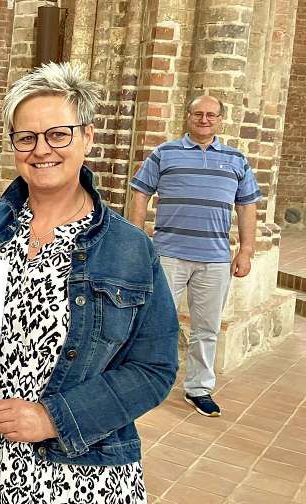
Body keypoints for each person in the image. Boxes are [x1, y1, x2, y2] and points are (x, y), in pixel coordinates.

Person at [0, 62, 179, 504]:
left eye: (59, 134)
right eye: (26, 137)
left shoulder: (129, 249)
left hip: (72, 470)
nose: (42, 150)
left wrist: (54, 417)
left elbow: (154, 369)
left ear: (87, 137)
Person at [129, 95, 261, 418]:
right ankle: (144, 382)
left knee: (207, 327)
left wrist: (245, 250)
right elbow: (140, 192)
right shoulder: (164, 153)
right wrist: (135, 239)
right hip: (168, 255)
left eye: (211, 115)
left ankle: (199, 388)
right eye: (198, 114)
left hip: (214, 259)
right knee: (155, 323)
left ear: (220, 120)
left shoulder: (236, 160)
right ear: (188, 117)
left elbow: (247, 206)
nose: (204, 119)